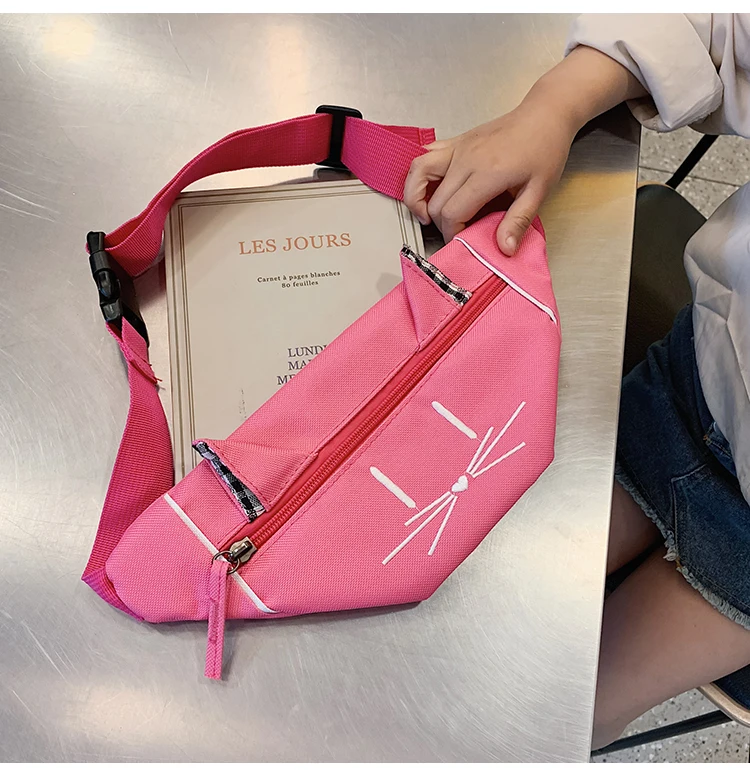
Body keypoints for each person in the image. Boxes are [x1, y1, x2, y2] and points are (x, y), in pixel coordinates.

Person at [404, 13, 750, 749]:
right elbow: (717, 26)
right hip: (698, 371)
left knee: (540, 719)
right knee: (456, 603)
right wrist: (553, 106)